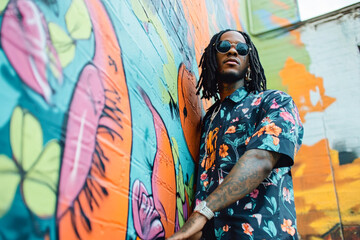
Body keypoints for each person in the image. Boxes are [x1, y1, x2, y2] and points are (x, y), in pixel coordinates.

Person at [168, 29, 304, 239]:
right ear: (213, 57)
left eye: (241, 49)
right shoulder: (208, 120)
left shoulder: (274, 102)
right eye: (224, 47)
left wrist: (202, 213)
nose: (233, 51)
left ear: (249, 62)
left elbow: (262, 159)